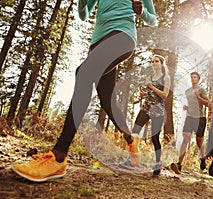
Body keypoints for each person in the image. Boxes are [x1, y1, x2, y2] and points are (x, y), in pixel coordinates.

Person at [12, 0, 157, 182]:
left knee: (84, 73)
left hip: (123, 35)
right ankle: (131, 140)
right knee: (106, 100)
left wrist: (142, 11)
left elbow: (153, 20)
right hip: (97, 41)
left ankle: (58, 156)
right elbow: (83, 14)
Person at [122, 54, 170, 176]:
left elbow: (164, 95)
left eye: (156, 61)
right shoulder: (150, 76)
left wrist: (151, 87)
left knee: (155, 138)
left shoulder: (166, 77)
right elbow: (150, 93)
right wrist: (144, 94)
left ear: (161, 63)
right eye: (152, 61)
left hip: (157, 110)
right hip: (146, 108)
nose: (154, 63)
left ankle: (158, 163)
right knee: (134, 133)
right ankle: (132, 161)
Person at [170, 72, 209, 174]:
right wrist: (187, 107)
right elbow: (192, 103)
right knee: (185, 138)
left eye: (195, 77)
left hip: (200, 118)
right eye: (191, 77)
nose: (193, 79)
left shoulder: (201, 90)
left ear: (198, 79)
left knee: (199, 142)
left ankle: (203, 158)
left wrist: (198, 97)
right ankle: (179, 164)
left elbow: (207, 103)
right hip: (189, 117)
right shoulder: (187, 91)